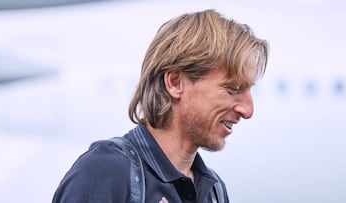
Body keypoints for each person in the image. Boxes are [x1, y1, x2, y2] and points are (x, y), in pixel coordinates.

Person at [52, 9, 268, 203]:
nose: (247, 110)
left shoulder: (214, 191)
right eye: (232, 89)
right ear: (175, 83)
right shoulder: (106, 172)